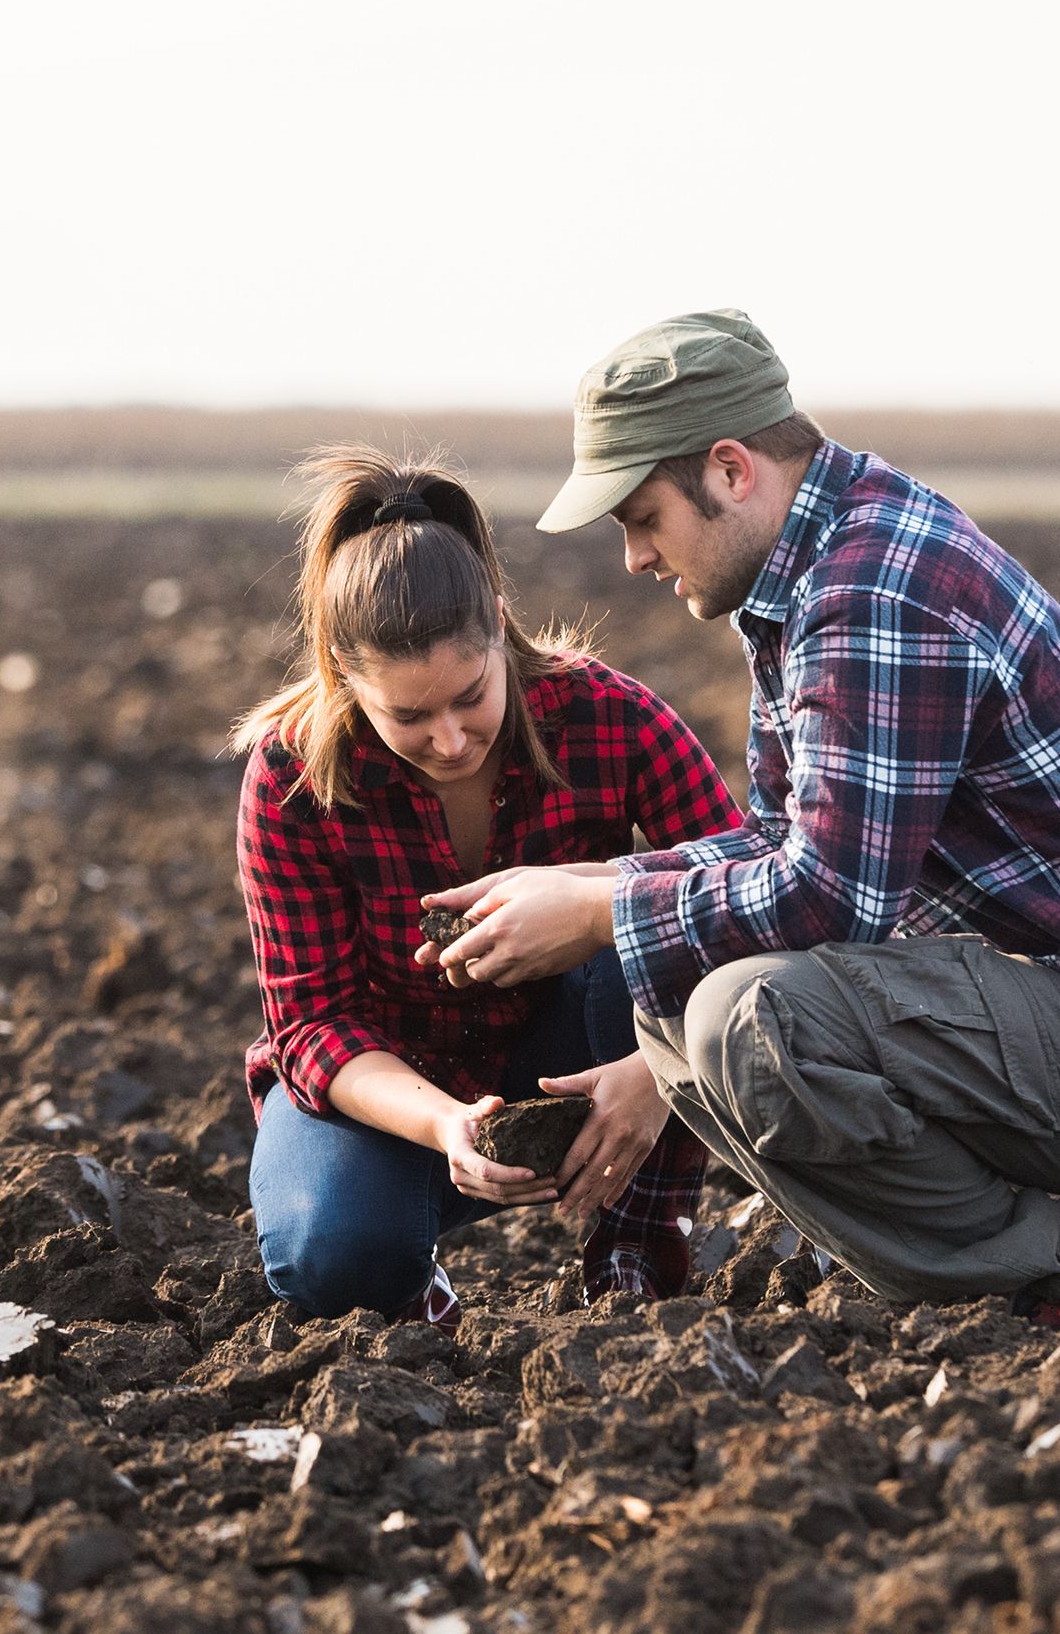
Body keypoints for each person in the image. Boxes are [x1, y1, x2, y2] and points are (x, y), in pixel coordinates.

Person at [427, 311, 1060, 1314]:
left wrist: (598, 913)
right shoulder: (811, 572)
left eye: (641, 516)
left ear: (729, 470)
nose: (633, 556)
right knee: (685, 993)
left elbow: (826, 897)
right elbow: (785, 840)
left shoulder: (874, 588)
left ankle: (1057, 1282)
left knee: (744, 1015)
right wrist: (588, 884)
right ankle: (1018, 1254)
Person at [235, 449, 744, 1317]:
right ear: (341, 673)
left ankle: (632, 1245)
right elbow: (311, 1022)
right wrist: (444, 1125)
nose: (449, 739)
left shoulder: (610, 718)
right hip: (392, 1080)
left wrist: (659, 1074)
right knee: (332, 1259)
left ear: (500, 628)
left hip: (577, 1047)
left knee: (653, 920)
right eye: (407, 715)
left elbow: (747, 892)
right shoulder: (291, 777)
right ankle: (409, 1275)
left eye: (470, 695)